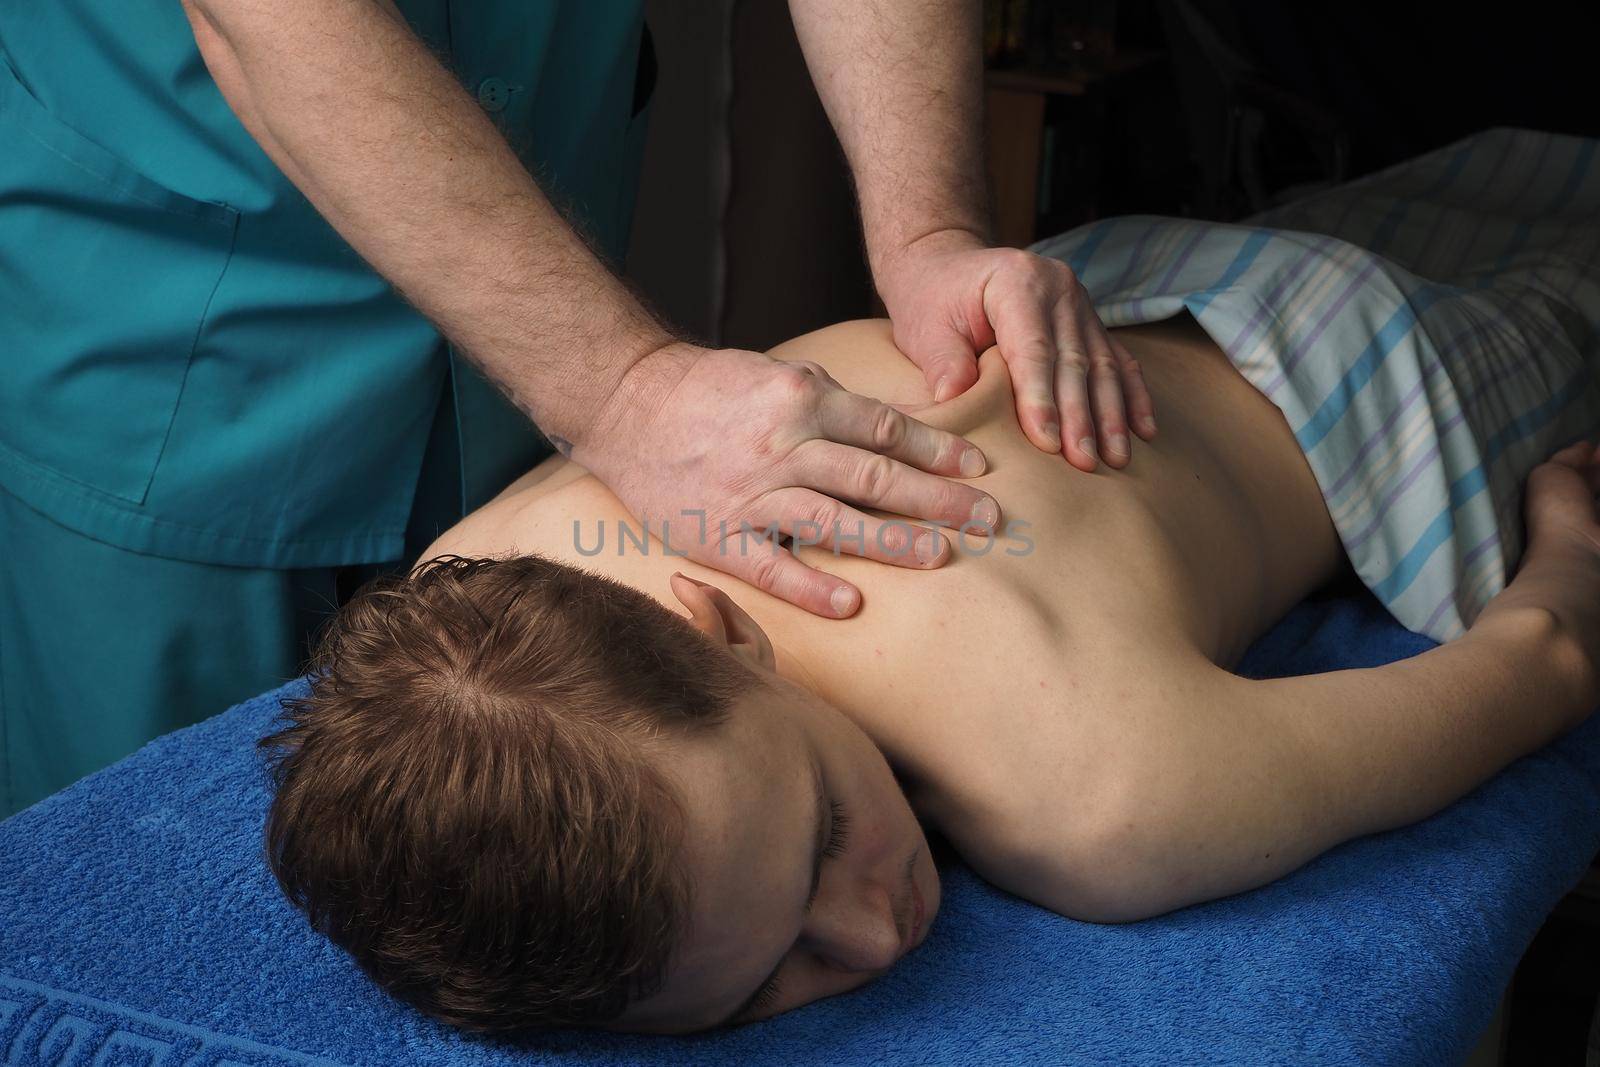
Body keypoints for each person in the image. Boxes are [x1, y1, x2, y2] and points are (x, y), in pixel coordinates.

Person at [257, 126, 1600, 1030]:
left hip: (1372, 387)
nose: (876, 930)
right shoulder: (475, 582)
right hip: (1097, 281)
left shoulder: (1104, 793)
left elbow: (1543, 658)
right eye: (772, 980)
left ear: (721, 627)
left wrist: (1568, 550)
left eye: (825, 834)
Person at [0, 1, 1153, 819]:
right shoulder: (1102, 807)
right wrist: (620, 387)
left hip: (531, 309)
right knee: (168, 887)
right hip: (169, 310)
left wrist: (929, 233)